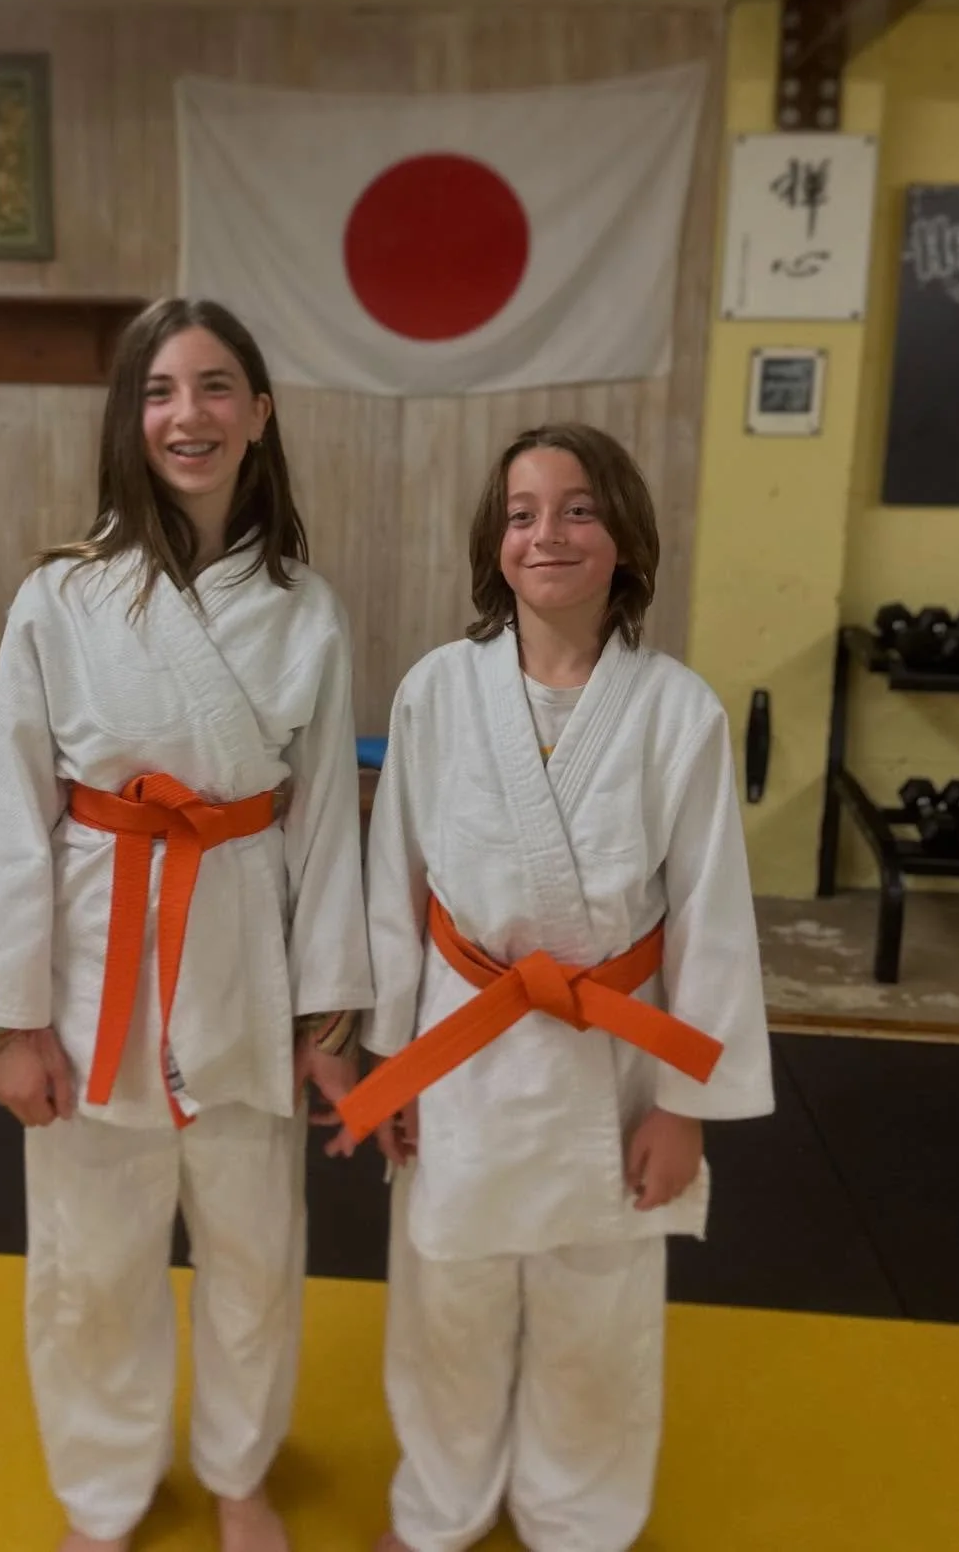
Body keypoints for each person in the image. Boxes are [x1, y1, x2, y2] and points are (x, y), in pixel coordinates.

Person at [0, 297, 372, 1552]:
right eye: (163, 390)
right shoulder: (60, 597)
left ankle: (239, 1473)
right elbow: (10, 816)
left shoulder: (306, 607)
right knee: (91, 1260)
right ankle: (104, 1495)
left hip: (242, 955)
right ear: (132, 418)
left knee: (253, 1249)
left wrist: (329, 1014)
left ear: (260, 415)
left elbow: (329, 815)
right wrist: (11, 1024)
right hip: (91, 965)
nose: (191, 414)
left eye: (218, 386)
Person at [335, 423, 774, 1552]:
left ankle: (578, 1519)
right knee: (449, 1302)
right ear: (494, 545)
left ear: (624, 536)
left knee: (597, 1314)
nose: (550, 533)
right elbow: (399, 886)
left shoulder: (679, 711)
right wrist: (391, 1062)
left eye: (579, 508)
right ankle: (439, 1509)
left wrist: (686, 1108)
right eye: (524, 512)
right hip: (463, 1047)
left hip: (611, 1062)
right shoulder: (439, 688)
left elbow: (715, 919)